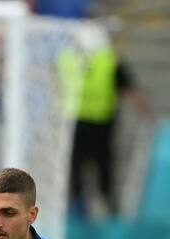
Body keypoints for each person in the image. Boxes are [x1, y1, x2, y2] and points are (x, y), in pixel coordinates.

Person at [59, 23, 152, 218]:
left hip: (73, 123)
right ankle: (107, 210)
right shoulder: (110, 61)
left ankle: (78, 210)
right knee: (103, 167)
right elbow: (130, 89)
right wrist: (146, 113)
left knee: (76, 169)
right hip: (101, 125)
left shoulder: (67, 59)